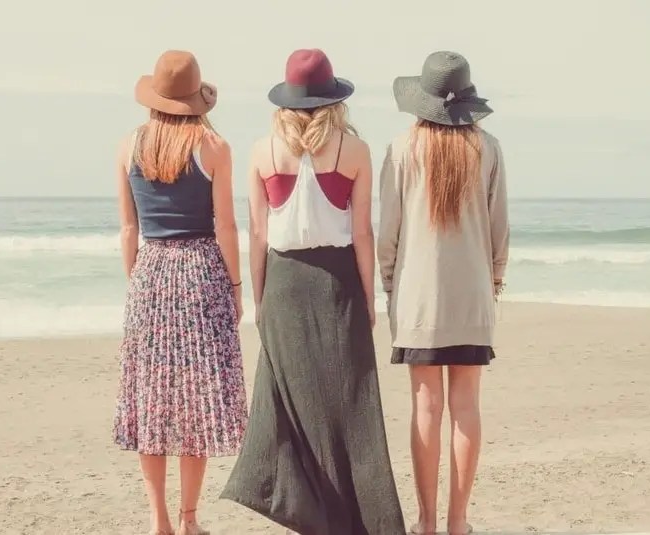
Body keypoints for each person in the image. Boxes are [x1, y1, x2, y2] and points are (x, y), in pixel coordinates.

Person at [220, 49, 406, 535]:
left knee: (291, 401)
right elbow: (362, 232)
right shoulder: (353, 150)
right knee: (351, 404)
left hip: (283, 282)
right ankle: (362, 519)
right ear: (333, 99)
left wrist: (260, 300)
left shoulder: (263, 152)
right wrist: (369, 297)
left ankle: (308, 512)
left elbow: (257, 235)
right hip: (337, 279)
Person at [112, 50, 248, 535]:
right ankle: (190, 520)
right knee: (195, 400)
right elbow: (226, 226)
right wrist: (235, 286)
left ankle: (159, 520)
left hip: (151, 269)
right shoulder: (213, 146)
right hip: (201, 270)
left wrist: (139, 279)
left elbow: (129, 229)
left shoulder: (129, 145)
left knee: (151, 397)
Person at [377, 51, 510, 535]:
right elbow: (500, 231)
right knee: (467, 405)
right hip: (472, 294)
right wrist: (493, 283)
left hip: (418, 297)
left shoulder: (401, 148)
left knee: (425, 406)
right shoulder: (488, 147)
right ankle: (458, 522)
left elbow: (387, 232)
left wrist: (392, 286)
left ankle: (426, 522)